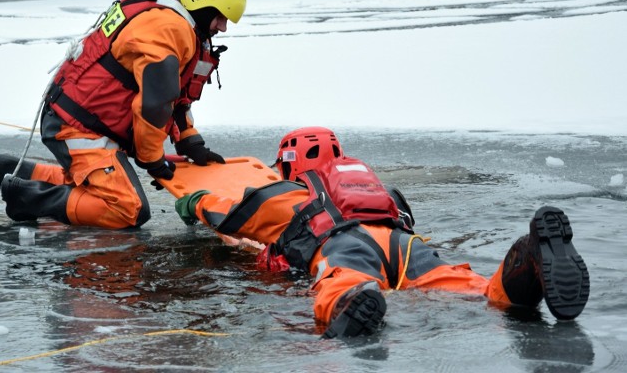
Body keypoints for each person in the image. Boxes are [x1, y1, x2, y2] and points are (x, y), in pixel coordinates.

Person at [174, 126, 590, 338]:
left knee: (343, 281)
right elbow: (405, 218)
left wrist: (194, 204)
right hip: (403, 244)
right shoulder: (379, 189)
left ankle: (353, 302)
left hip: (341, 245)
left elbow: (233, 214)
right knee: (464, 285)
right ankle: (519, 274)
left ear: (289, 164)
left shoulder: (288, 195)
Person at [0, 0, 246, 229]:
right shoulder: (167, 28)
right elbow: (156, 104)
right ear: (200, 2)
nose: (223, 27)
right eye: (220, 17)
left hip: (85, 118)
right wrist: (153, 161)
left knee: (88, 184)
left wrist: (190, 141)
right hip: (77, 125)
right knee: (129, 208)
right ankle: (24, 197)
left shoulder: (176, 22)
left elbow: (177, 96)